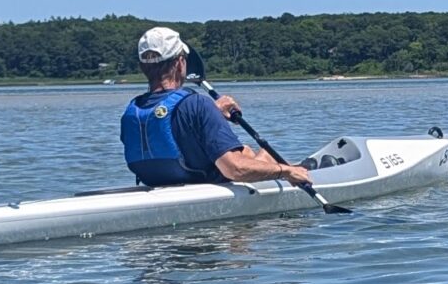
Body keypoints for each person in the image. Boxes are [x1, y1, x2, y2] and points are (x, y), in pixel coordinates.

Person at [120, 27, 313, 190]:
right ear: (180, 63)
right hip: (202, 184)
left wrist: (212, 112)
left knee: (244, 151)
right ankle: (301, 170)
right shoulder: (197, 104)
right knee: (266, 154)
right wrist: (285, 171)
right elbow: (234, 170)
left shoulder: (134, 109)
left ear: (142, 66)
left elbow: (170, 122)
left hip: (159, 184)